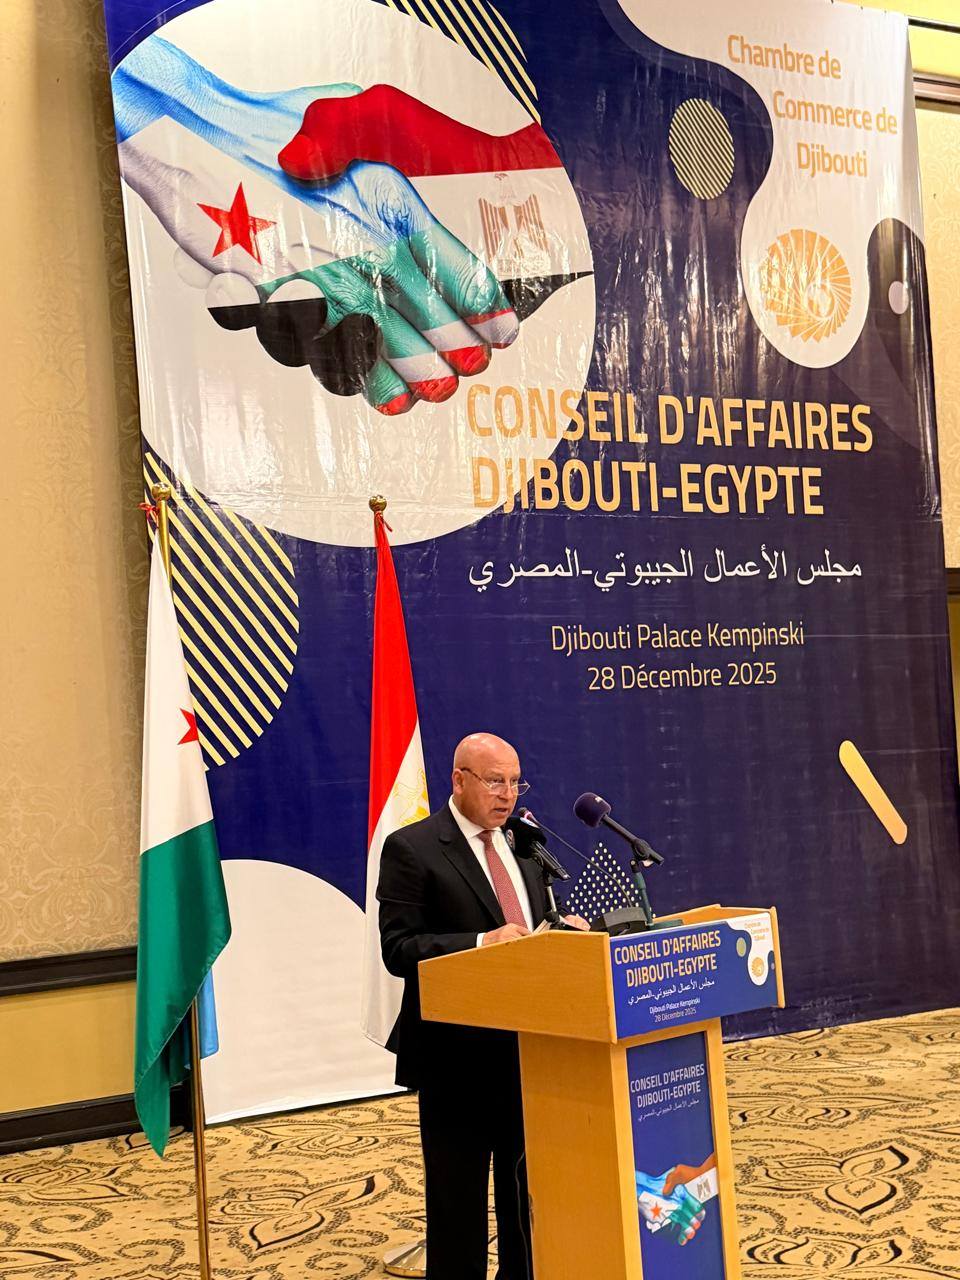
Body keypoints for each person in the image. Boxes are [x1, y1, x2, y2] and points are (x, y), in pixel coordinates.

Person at [377, 732, 587, 1280]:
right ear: (459, 780)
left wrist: (563, 931)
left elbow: (532, 930)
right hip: (455, 1055)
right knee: (458, 1204)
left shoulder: (524, 843)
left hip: (529, 1047)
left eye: (516, 782)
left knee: (526, 1194)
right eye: (495, 781)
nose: (508, 794)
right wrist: (479, 943)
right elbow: (398, 949)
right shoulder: (413, 848)